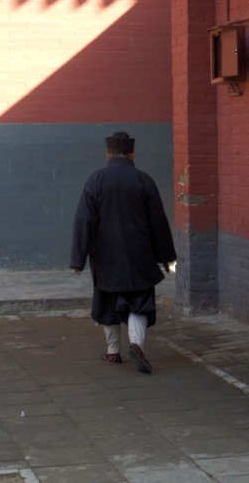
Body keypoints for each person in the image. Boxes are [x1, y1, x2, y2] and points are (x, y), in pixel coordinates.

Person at [70, 131, 176, 374]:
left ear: (108, 154)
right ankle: (136, 345)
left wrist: (78, 259)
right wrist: (167, 256)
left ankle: (113, 351)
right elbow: (158, 222)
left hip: (106, 257)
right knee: (140, 302)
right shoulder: (144, 181)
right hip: (140, 255)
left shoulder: (95, 181)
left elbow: (84, 221)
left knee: (107, 304)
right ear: (132, 154)